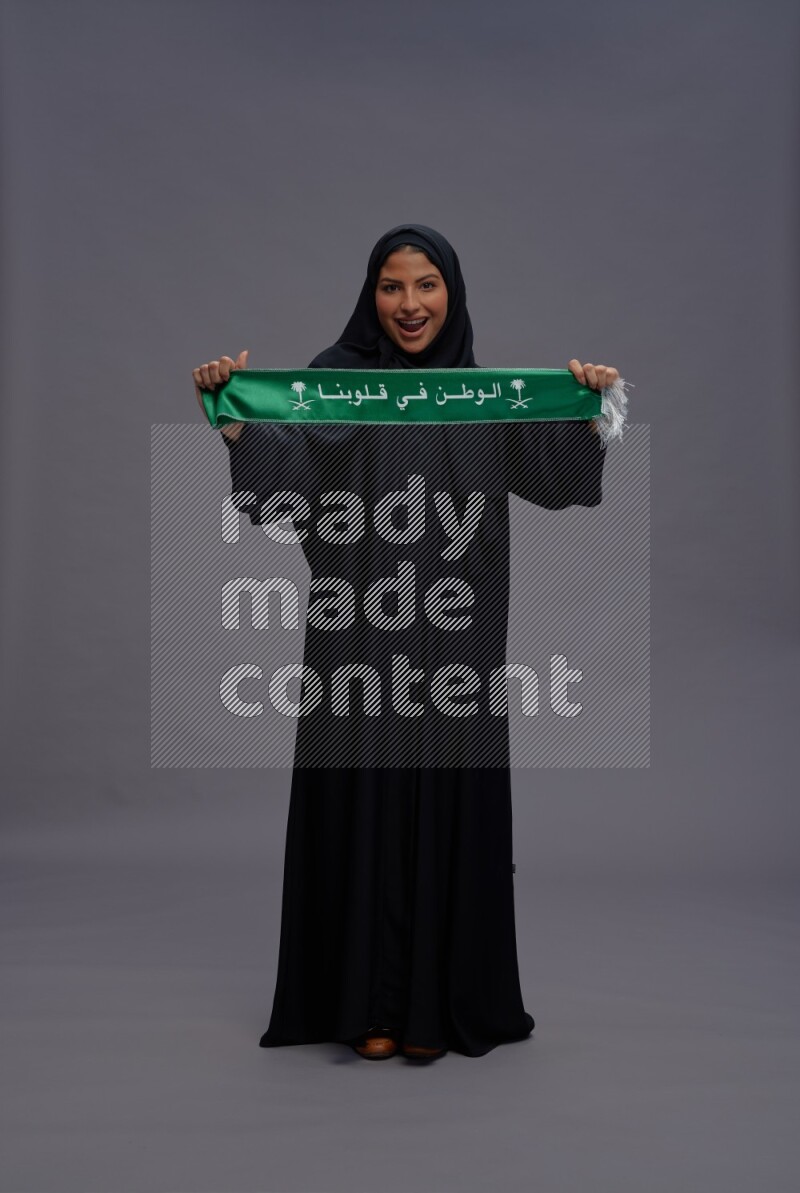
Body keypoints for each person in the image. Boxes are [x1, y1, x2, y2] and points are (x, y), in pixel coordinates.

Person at [192, 223, 621, 1062]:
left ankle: (435, 1007)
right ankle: (369, 1008)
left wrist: (589, 410)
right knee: (366, 800)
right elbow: (285, 483)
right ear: (371, 294)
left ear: (452, 294)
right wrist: (236, 419)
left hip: (459, 647)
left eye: (427, 285)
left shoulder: (481, 393)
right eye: (393, 286)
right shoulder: (338, 383)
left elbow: (558, 479)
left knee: (445, 802)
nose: (410, 304)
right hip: (359, 640)